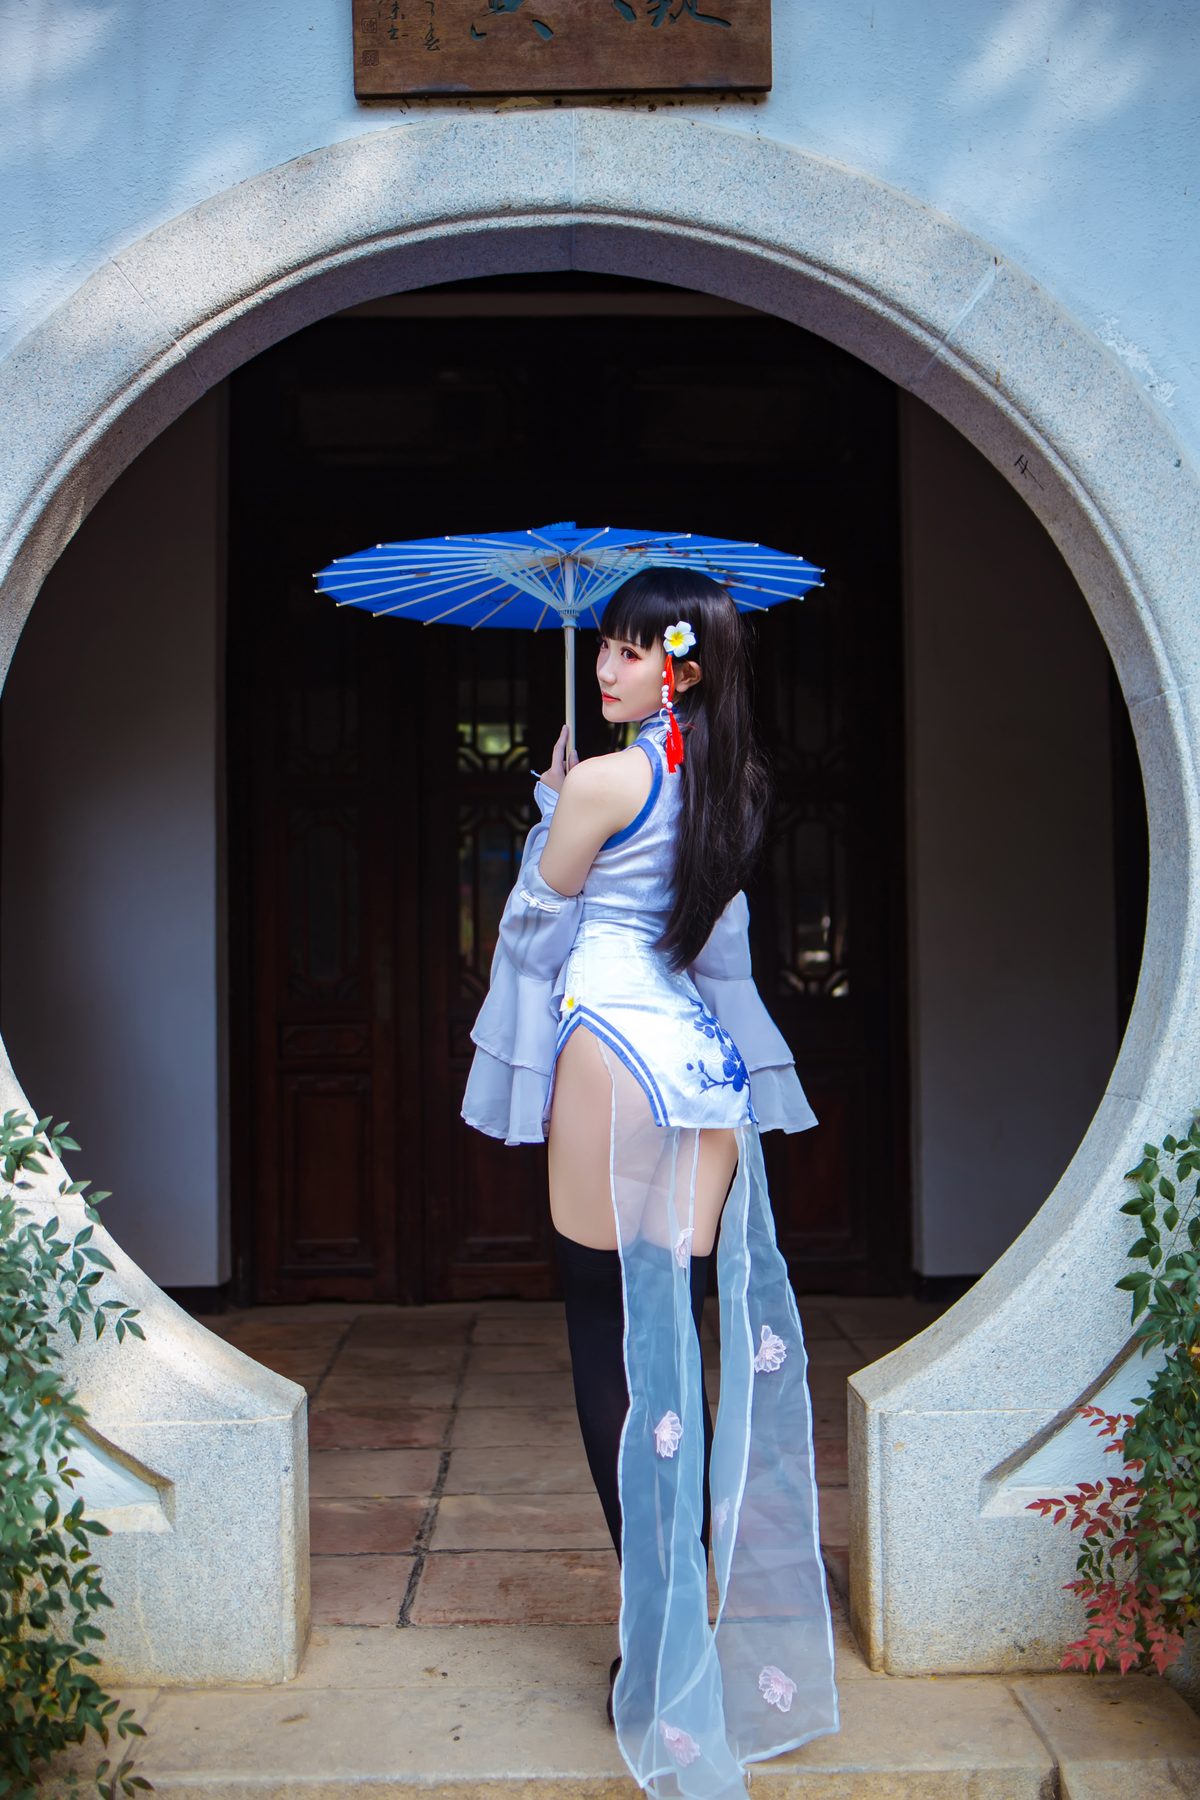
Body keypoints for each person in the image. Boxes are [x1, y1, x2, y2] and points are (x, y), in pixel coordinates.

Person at [461, 567, 840, 1800]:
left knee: (606, 1341)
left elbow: (536, 925)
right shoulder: (736, 787)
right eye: (607, 649)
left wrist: (552, 807)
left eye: (630, 652)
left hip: (612, 1063)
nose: (605, 669)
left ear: (679, 666)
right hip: (703, 1073)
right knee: (677, 1341)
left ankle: (661, 1639)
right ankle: (699, 1624)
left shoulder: (607, 782)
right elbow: (695, 924)